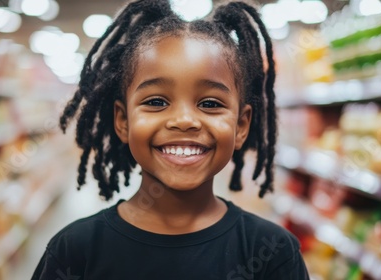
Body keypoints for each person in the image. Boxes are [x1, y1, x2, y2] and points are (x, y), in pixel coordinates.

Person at [32, 0, 309, 279]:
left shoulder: (273, 253)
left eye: (210, 104)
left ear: (240, 126)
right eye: (156, 101)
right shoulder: (74, 251)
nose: (184, 120)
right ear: (123, 121)